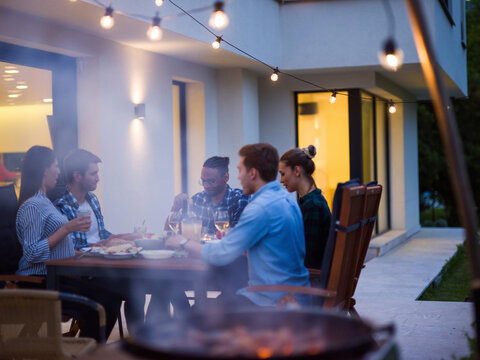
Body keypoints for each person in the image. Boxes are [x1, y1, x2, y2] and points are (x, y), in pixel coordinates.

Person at [166, 143, 310, 307]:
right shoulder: (285, 199)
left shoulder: (260, 208)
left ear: (253, 173)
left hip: (270, 300)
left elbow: (221, 254)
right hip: (292, 295)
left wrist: (182, 242)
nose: (239, 177)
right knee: (203, 305)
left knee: (198, 313)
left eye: (240, 170)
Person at [15, 145, 121, 342]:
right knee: (105, 302)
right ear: (44, 169)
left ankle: (88, 353)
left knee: (111, 297)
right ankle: (88, 354)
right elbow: (31, 253)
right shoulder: (32, 206)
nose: (58, 171)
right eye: (55, 166)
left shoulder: (44, 201)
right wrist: (66, 229)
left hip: (57, 278)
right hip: (40, 282)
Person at [54, 148, 145, 333]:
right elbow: (70, 248)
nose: (98, 178)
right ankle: (92, 347)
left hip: (103, 266)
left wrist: (124, 238)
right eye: (93, 173)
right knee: (113, 296)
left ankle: (138, 341)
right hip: (84, 272)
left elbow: (101, 235)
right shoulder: (61, 207)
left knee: (137, 287)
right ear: (77, 176)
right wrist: (98, 247)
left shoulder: (92, 199)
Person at [279, 145, 331, 269]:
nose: (281, 180)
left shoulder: (312, 206)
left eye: (282, 174)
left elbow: (307, 258)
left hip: (308, 280)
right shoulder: (313, 201)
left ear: (297, 171)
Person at [170, 156, 249, 234]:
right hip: (198, 247)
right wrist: (175, 209)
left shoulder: (239, 198)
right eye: (203, 181)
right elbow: (171, 234)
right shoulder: (197, 199)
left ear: (226, 177)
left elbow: (239, 237)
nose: (206, 185)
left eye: (211, 181)